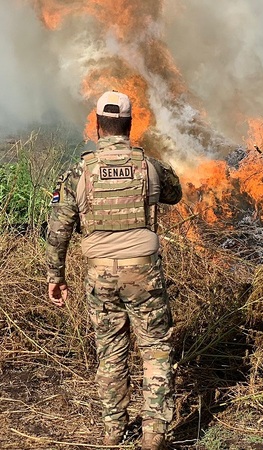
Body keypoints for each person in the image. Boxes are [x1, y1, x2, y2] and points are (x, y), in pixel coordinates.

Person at [46, 91, 182, 450]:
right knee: (155, 347)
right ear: (130, 124)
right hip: (144, 274)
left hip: (100, 275)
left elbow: (58, 231)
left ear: (97, 125)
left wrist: (55, 277)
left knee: (110, 350)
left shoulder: (78, 171)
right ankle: (155, 433)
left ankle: (113, 430)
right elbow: (175, 193)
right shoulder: (149, 166)